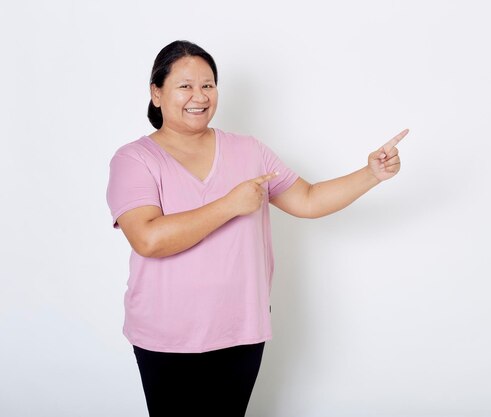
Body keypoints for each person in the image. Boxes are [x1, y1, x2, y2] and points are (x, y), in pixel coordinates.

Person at [106, 40, 408, 417]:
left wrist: (371, 174)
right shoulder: (135, 159)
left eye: (208, 85)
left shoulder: (249, 150)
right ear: (156, 92)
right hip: (167, 334)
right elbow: (148, 238)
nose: (199, 96)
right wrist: (229, 205)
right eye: (185, 86)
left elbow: (309, 199)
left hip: (240, 328)